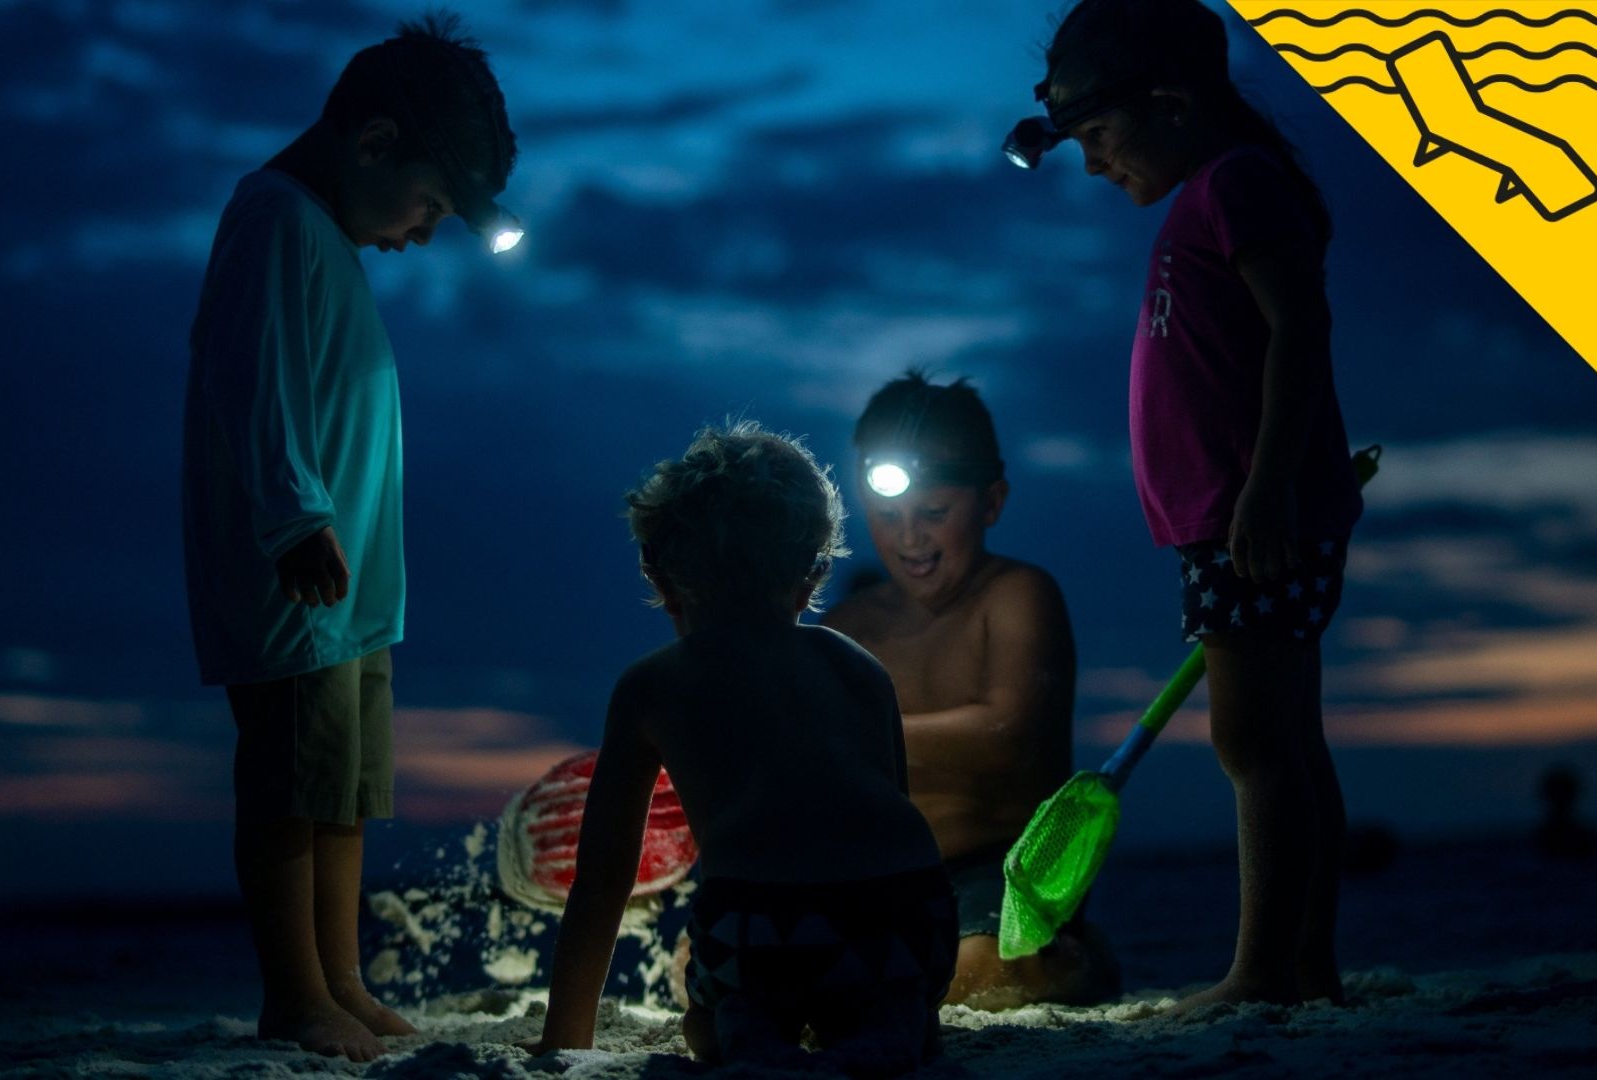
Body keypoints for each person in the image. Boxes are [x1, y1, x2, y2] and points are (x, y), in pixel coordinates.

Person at [180, 12, 519, 1060]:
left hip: (353, 588)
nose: (423, 234)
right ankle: (295, 994)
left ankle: (341, 978)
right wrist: (294, 520)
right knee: (290, 783)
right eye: (428, 205)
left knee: (342, 789)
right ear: (374, 144)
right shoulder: (276, 218)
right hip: (300, 576)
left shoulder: (325, 236)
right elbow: (260, 383)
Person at [1017, 0, 1364, 1009]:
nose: (1092, 164)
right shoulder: (1209, 196)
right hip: (1236, 520)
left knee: (1254, 742)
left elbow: (1302, 327)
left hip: (1253, 519)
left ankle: (1263, 974)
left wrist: (1264, 485)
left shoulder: (1238, 184)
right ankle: (1306, 965)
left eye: (1100, 136)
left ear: (1171, 103)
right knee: (1287, 739)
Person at [532, 424, 956, 1073]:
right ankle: (894, 1023)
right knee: (877, 989)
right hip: (909, 916)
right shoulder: (858, 667)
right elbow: (894, 813)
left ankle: (751, 1035)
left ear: (658, 572)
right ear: (813, 575)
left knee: (705, 1023)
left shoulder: (653, 685)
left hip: (768, 925)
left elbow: (603, 877)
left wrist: (563, 1040)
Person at [823, 372, 1119, 1009]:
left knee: (980, 976)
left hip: (998, 870)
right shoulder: (845, 628)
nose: (911, 538)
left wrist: (842, 735)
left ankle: (1072, 956)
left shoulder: (1016, 596)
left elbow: (1006, 734)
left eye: (934, 513)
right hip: (875, 877)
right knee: (740, 965)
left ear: (991, 502)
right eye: (888, 516)